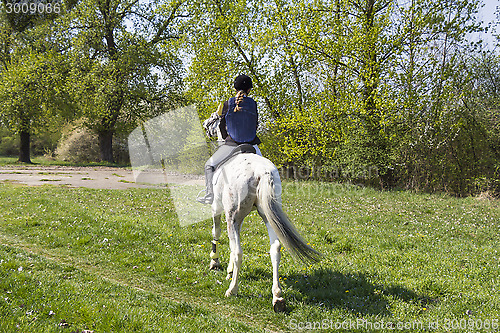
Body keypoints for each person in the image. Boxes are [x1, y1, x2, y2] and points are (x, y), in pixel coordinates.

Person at [197, 74, 262, 204]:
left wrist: (226, 139)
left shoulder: (227, 104)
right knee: (267, 169)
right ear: (249, 90)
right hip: (252, 145)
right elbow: (255, 125)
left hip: (232, 145)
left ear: (235, 88)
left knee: (209, 166)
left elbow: (222, 126)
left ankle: (210, 196)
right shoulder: (254, 104)